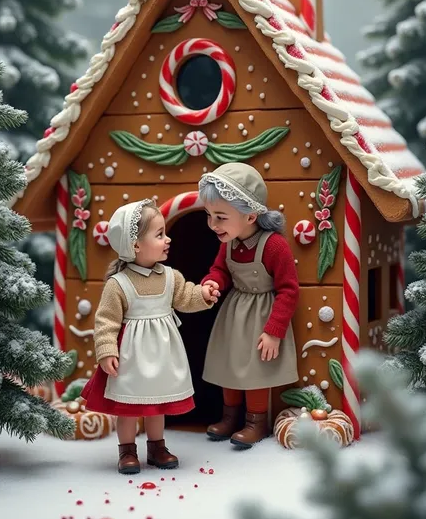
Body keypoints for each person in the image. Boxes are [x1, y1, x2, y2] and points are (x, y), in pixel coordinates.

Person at [82, 199, 219, 474]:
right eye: (159, 234)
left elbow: (185, 296)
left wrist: (202, 295)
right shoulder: (118, 284)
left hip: (162, 355)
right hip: (131, 356)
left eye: (165, 232)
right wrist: (107, 350)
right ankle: (127, 450)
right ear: (135, 245)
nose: (167, 239)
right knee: (129, 406)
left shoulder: (170, 277)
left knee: (157, 405)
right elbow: (106, 320)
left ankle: (157, 446)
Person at [198, 162, 299, 448]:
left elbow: (289, 290)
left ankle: (256, 421)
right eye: (209, 215)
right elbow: (220, 270)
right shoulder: (227, 243)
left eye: (220, 217)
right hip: (234, 314)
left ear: (250, 215)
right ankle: (229, 417)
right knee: (228, 365)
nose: (213, 224)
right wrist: (212, 282)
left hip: (262, 316)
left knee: (256, 370)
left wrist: (274, 330)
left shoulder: (274, 246)